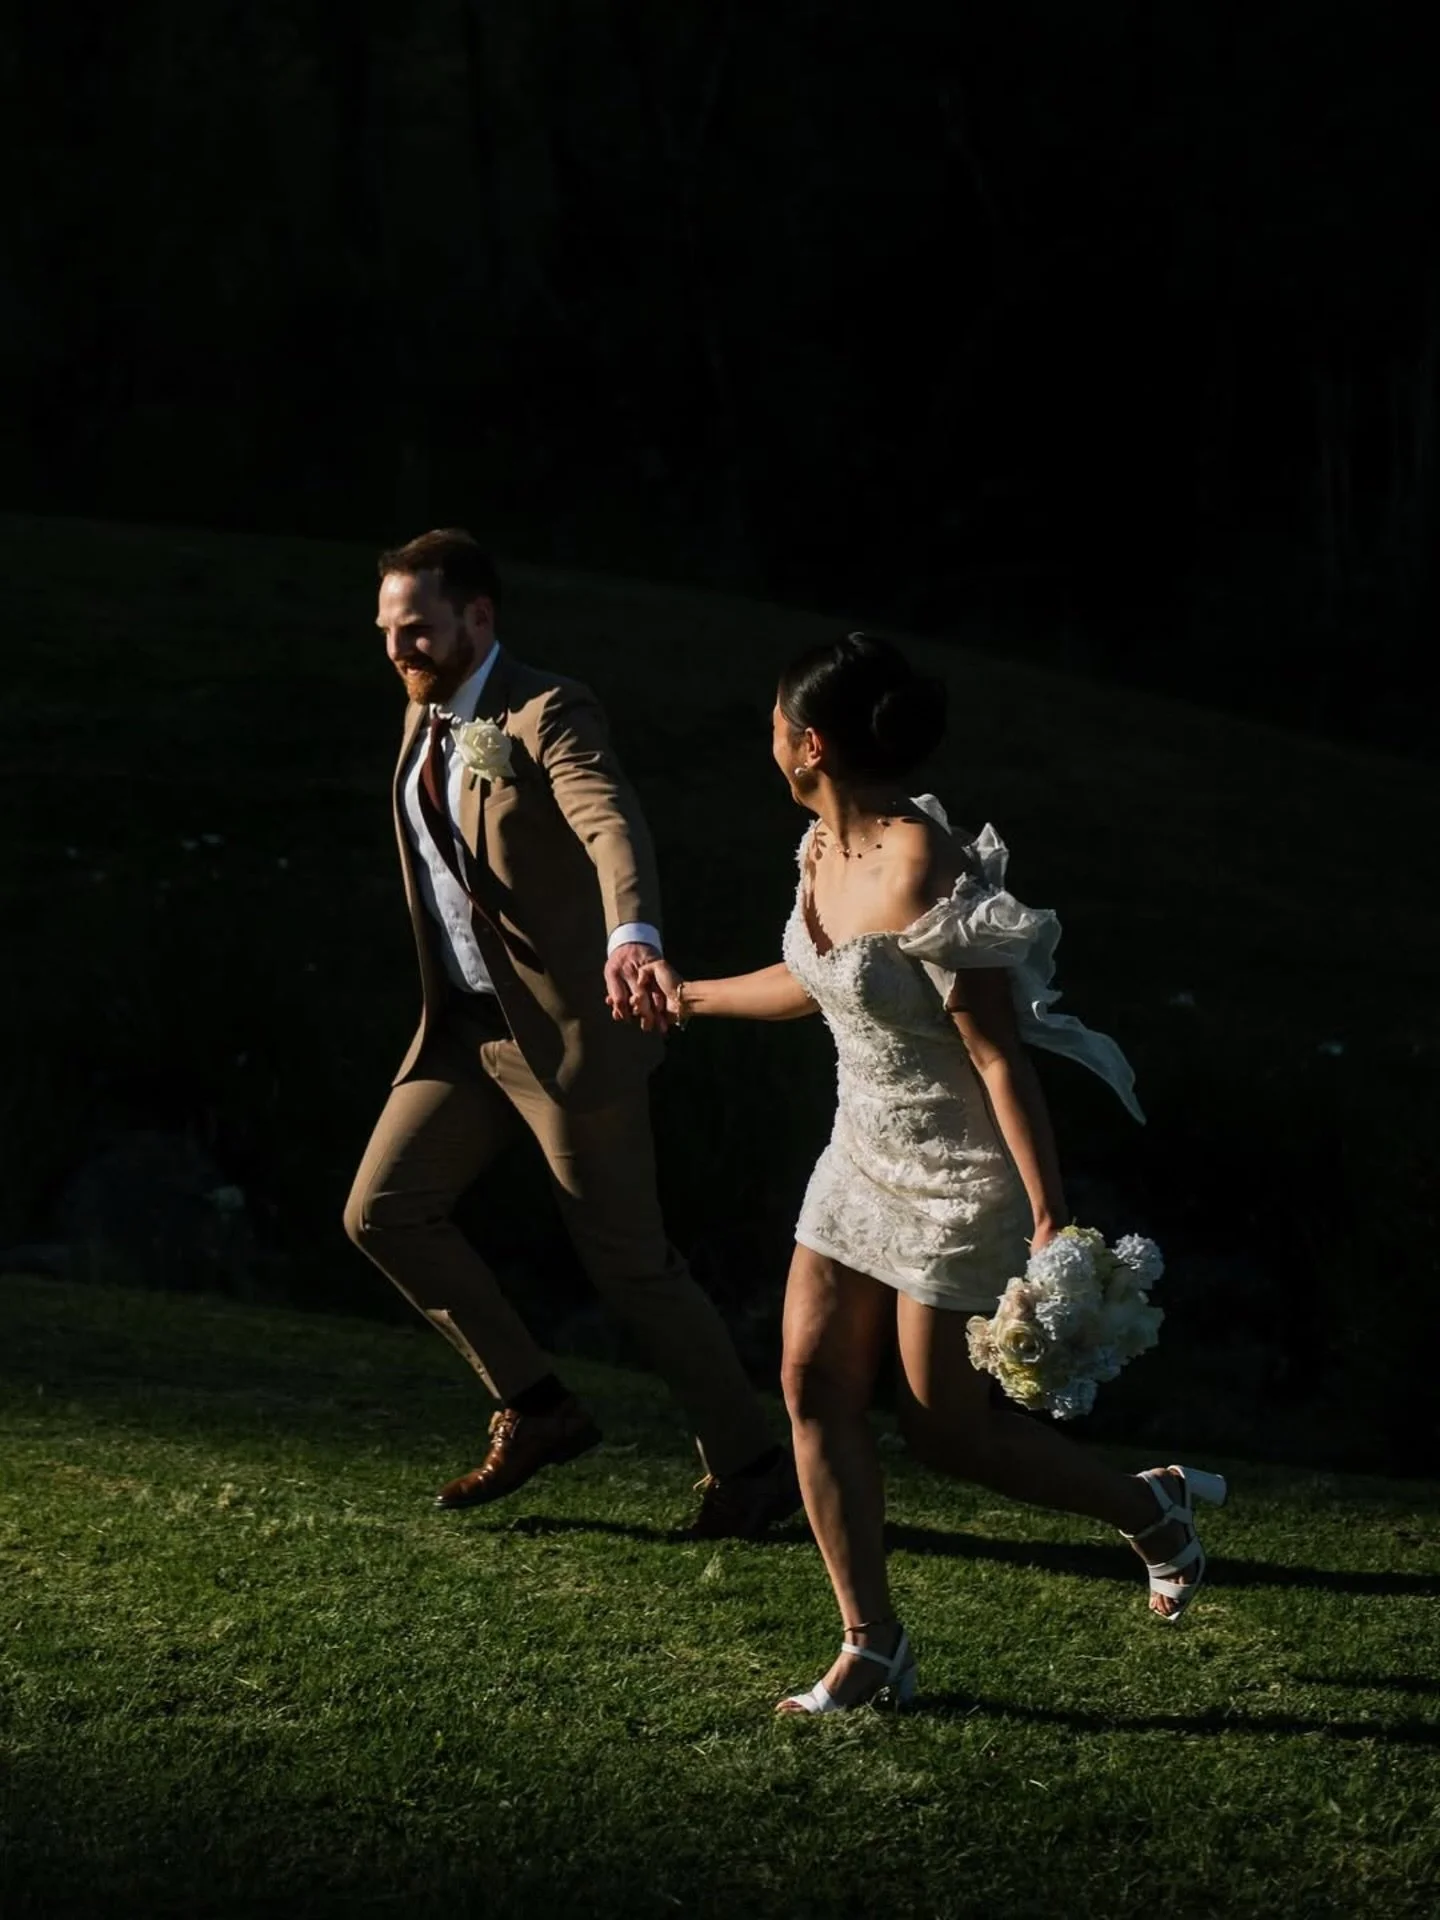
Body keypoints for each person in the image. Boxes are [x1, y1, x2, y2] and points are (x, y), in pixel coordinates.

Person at [633, 632, 1226, 1711]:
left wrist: (1050, 1218)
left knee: (946, 1432)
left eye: (775, 729)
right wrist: (693, 997)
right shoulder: (820, 848)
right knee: (810, 1385)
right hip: (856, 1156)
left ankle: (1152, 1512)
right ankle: (873, 1646)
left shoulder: (925, 867)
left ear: (808, 744)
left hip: (958, 1179)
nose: (767, 745)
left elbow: (997, 1051)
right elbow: (818, 979)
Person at [343, 528, 798, 1538]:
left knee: (631, 1266)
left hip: (565, 1038)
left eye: (415, 630)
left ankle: (754, 1467)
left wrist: (632, 932)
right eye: (386, 632)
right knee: (382, 1212)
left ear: (479, 617)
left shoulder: (549, 709)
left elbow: (609, 824)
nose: (398, 650)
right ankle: (536, 1408)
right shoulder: (422, 716)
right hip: (464, 1032)